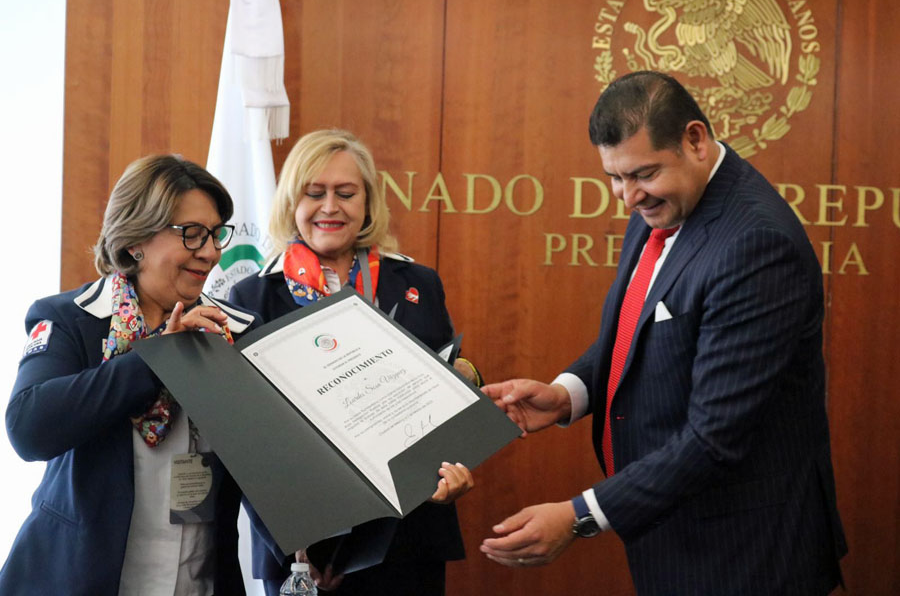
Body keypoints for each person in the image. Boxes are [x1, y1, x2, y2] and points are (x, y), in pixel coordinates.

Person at [480, 71, 847, 594]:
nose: (626, 197)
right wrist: (569, 394)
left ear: (695, 140)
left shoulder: (758, 245)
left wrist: (580, 515)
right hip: (674, 530)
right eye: (614, 176)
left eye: (641, 174)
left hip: (746, 551)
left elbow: (714, 438)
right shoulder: (662, 198)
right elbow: (642, 330)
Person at [229, 128, 476, 596]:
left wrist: (451, 470)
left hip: (409, 531)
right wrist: (293, 546)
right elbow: (243, 439)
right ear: (290, 202)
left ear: (367, 202)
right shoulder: (252, 296)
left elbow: (447, 393)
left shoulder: (416, 281)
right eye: (314, 193)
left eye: (346, 193)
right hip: (303, 545)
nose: (330, 207)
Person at [1, 155, 260, 594]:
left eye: (216, 235)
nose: (212, 252)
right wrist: (156, 356)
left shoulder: (234, 333)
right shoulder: (70, 318)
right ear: (137, 239)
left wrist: (307, 553)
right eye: (193, 234)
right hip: (75, 581)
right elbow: (30, 429)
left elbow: (269, 466)